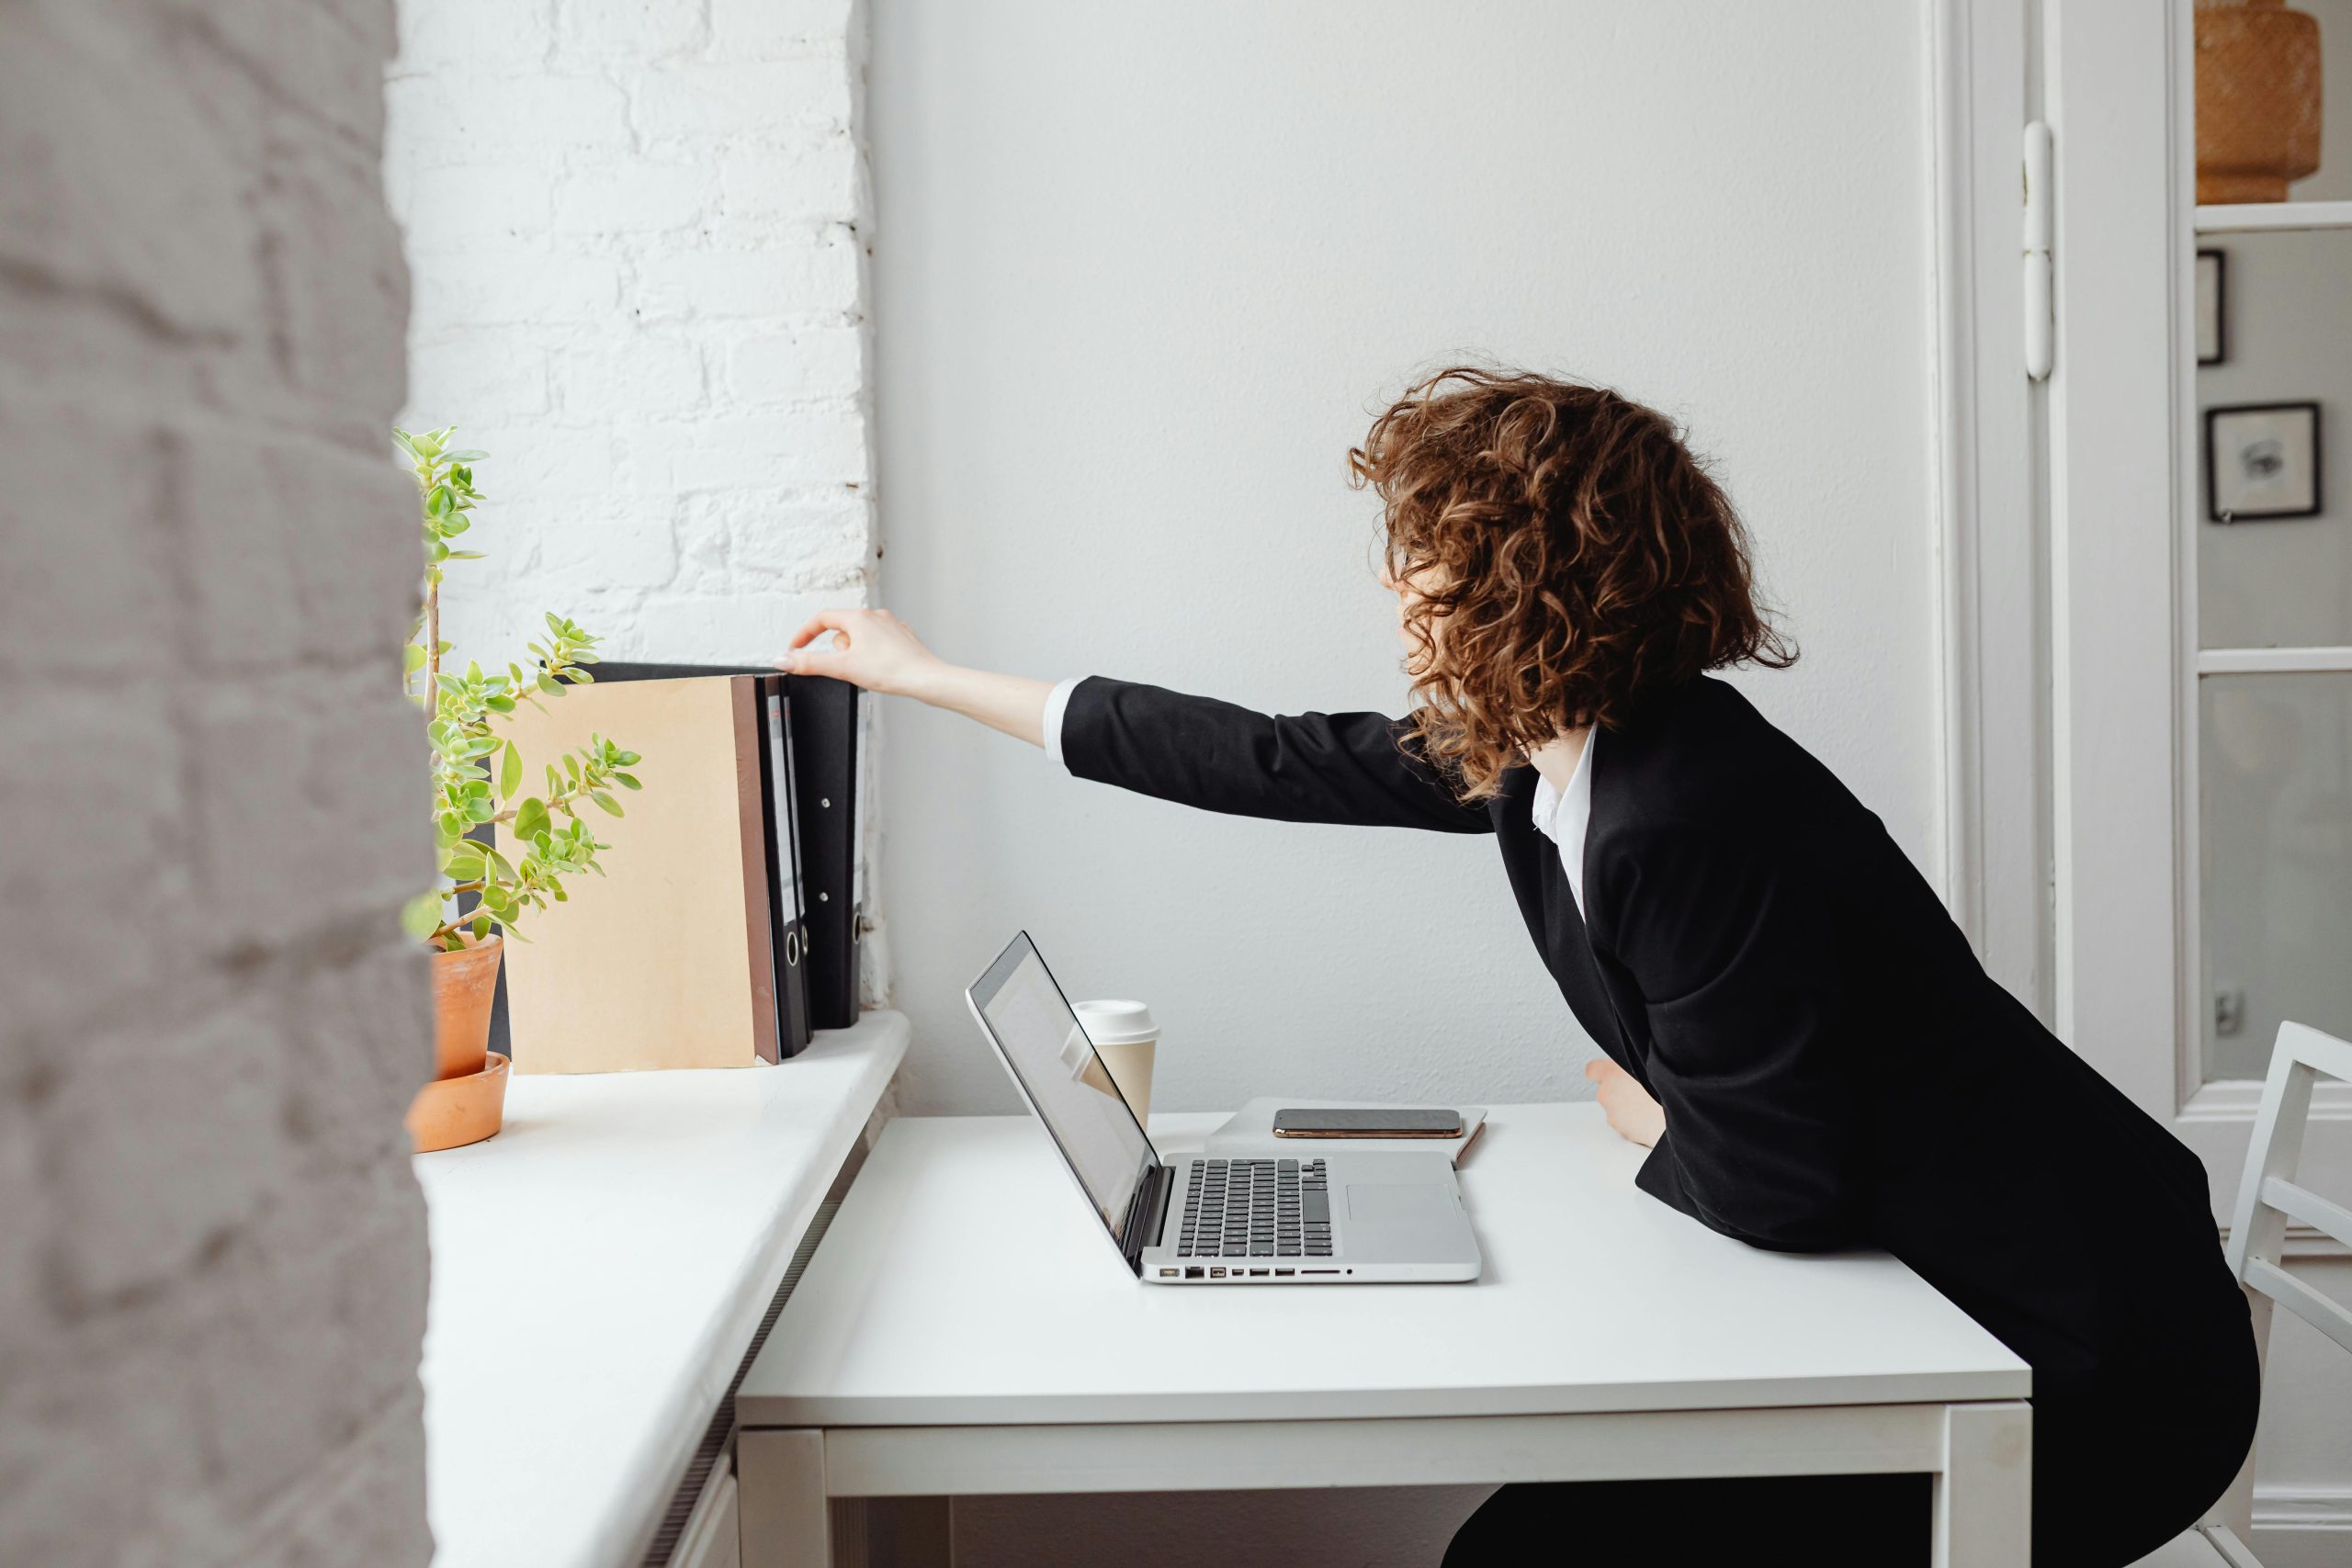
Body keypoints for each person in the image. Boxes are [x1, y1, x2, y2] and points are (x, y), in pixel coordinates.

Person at [781, 367, 2257, 1566]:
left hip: (2084, 1362)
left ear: (1523, 579)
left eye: (1419, 553)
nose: (1392, 589)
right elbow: (1264, 756)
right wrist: (920, 675)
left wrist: (1654, 1119)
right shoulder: (1565, 754)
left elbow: (1779, 1186)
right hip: (1956, 1294)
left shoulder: (1682, 814)